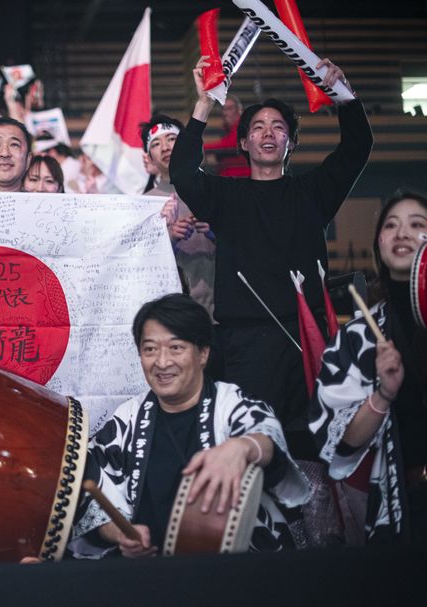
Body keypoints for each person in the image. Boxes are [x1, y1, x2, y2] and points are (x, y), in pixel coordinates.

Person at [170, 56, 373, 459]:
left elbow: (357, 148)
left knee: (312, 445)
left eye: (278, 127)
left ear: (290, 143)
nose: (268, 133)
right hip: (244, 345)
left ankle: (315, 522)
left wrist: (344, 96)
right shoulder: (226, 196)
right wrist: (204, 104)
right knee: (252, 446)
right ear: (243, 142)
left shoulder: (314, 193)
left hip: (308, 338)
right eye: (258, 127)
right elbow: (183, 172)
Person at [69, 294, 309, 558]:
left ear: (203, 353)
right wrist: (119, 534)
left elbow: (267, 436)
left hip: (239, 570)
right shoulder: (128, 417)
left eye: (176, 348)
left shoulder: (230, 403)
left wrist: (242, 447)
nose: (162, 362)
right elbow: (92, 494)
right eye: (150, 349)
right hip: (151, 576)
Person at [310, 190, 427, 543]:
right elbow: (340, 444)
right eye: (391, 225)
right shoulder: (357, 336)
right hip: (403, 507)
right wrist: (383, 394)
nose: (402, 233)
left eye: (417, 224)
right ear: (379, 243)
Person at [141, 114, 216, 316]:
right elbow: (139, 264)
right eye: (156, 143)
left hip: (224, 310)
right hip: (175, 315)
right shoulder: (145, 204)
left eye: (172, 139)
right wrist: (169, 236)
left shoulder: (216, 190)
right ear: (148, 158)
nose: (165, 147)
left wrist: (215, 231)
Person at [203, 95, 251, 178]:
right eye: (223, 109)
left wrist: (200, 147)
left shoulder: (243, 127)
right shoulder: (227, 131)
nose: (224, 113)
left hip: (240, 179)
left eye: (229, 108)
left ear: (239, 110)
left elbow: (232, 144)